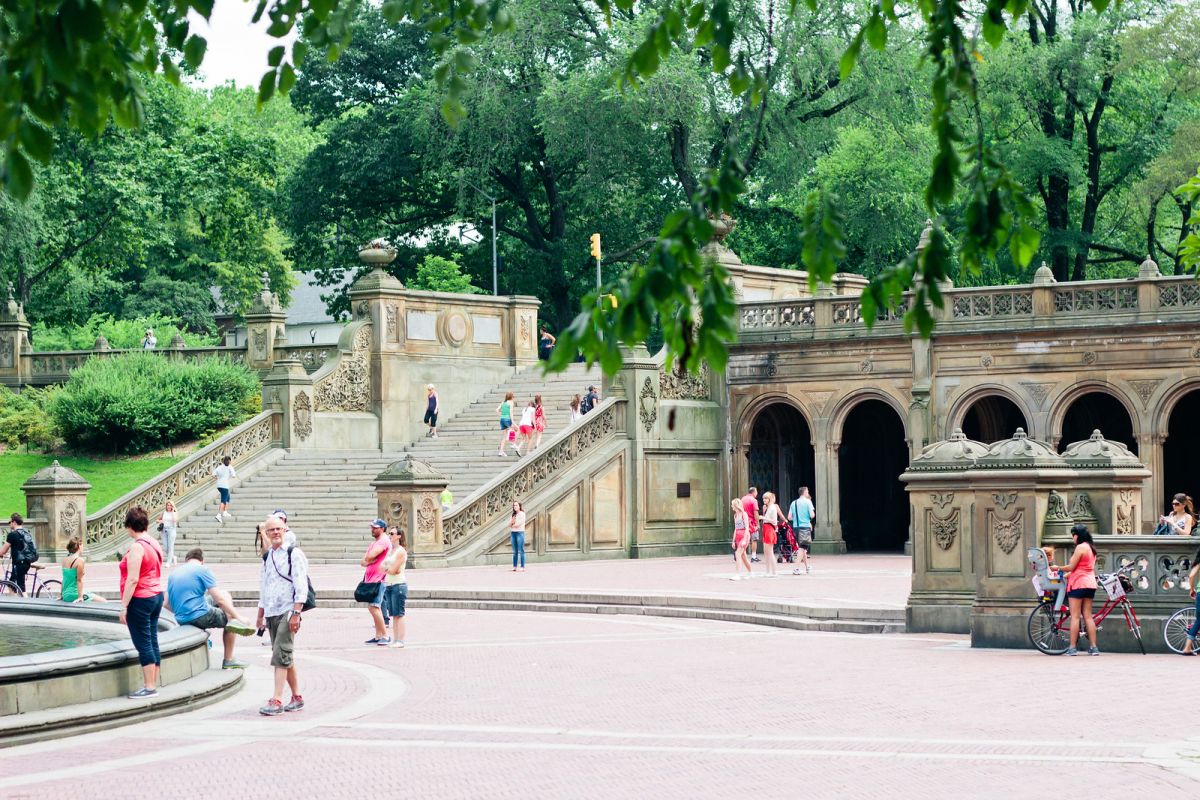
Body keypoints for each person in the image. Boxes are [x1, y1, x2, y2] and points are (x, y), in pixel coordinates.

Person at [166, 548, 255, 669]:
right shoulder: (203, 570)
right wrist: (239, 617)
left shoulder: (173, 574)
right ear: (202, 561)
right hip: (199, 615)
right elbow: (219, 600)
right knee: (232, 620)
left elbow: (166, 604)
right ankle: (228, 659)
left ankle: (229, 619)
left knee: (224, 593)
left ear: (186, 560)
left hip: (181, 617)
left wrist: (184, 612)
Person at [257, 515, 309, 715]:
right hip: (271, 611)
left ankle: (276, 699)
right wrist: (260, 614)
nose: (276, 533)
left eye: (279, 529)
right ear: (267, 534)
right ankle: (297, 696)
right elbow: (264, 586)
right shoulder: (268, 556)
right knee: (284, 654)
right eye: (271, 530)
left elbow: (300, 585)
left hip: (288, 610)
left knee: (280, 654)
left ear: (285, 530)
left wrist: (296, 613)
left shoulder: (293, 554)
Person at [119, 506, 165, 698]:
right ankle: (153, 681)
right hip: (156, 595)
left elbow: (133, 579)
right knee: (152, 639)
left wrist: (123, 606)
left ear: (130, 526)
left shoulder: (137, 547)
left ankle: (149, 687)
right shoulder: (153, 542)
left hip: (141, 598)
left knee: (143, 643)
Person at [1049, 523, 1100, 656]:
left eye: (1073, 536)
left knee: (1075, 616)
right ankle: (1094, 647)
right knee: (1088, 616)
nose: (1073, 539)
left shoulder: (1080, 548)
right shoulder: (1091, 548)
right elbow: (1083, 568)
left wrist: (1057, 568)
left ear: (1077, 536)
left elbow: (1071, 567)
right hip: (1090, 583)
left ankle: (1072, 647)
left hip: (1078, 584)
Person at [362, 519, 392, 645]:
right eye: (372, 527)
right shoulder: (375, 543)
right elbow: (363, 561)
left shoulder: (384, 541)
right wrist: (369, 559)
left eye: (375, 528)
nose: (372, 530)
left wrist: (369, 558)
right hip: (371, 579)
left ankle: (385, 635)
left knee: (374, 607)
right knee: (373, 606)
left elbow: (368, 557)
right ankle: (378, 635)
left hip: (379, 578)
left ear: (382, 529)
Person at [381, 526, 408, 648]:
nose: (390, 535)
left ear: (399, 536)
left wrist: (387, 569)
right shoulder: (391, 551)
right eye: (389, 533)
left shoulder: (401, 551)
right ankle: (396, 639)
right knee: (394, 615)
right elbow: (383, 567)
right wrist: (388, 569)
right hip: (389, 584)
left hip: (399, 585)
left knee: (399, 614)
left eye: (392, 533)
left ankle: (400, 640)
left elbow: (394, 570)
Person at [0, 513, 37, 593]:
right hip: (27, 561)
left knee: (20, 586)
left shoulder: (12, 535)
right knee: (12, 584)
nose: (9, 524)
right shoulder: (27, 533)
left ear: (14, 522)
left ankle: (25, 604)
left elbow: (2, 551)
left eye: (10, 522)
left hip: (18, 563)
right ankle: (14, 603)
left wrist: (1, 554)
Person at [60, 536, 104, 603]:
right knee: (103, 602)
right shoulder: (79, 561)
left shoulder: (64, 560)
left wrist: (61, 595)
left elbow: (64, 579)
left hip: (65, 595)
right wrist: (80, 597)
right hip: (74, 594)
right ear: (79, 546)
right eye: (82, 545)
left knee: (89, 594)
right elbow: (79, 580)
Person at [788, 487, 815, 575]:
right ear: (805, 492)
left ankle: (807, 567)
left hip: (796, 527)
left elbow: (789, 517)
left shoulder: (793, 503)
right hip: (805, 527)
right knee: (802, 548)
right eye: (807, 491)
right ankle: (796, 568)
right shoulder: (808, 502)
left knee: (803, 548)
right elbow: (812, 515)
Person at [730, 499, 752, 580]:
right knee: (743, 556)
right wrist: (733, 541)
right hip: (738, 536)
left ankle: (737, 574)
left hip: (744, 536)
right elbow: (736, 529)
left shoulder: (744, 514)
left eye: (732, 505)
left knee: (738, 554)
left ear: (736, 505)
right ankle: (750, 572)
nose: (731, 506)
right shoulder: (735, 515)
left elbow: (747, 528)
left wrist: (744, 539)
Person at [760, 491, 780, 577]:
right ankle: (768, 571)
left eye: (766, 498)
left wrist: (763, 517)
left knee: (770, 552)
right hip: (766, 528)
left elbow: (774, 521)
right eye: (763, 498)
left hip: (769, 528)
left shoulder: (772, 507)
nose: (764, 500)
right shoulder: (768, 507)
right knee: (766, 551)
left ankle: (774, 572)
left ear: (769, 499)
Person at [212, 455, 236, 523]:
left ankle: (225, 512)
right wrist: (228, 477)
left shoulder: (219, 467)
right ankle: (219, 514)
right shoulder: (229, 467)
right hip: (225, 485)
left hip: (219, 485)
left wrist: (218, 478)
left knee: (228, 498)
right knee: (223, 500)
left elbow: (213, 475)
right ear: (229, 461)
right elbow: (234, 475)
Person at [740, 487, 761, 563]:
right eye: (756, 492)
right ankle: (753, 556)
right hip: (752, 523)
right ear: (754, 492)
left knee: (744, 539)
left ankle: (742, 554)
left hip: (743, 522)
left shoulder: (743, 499)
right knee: (754, 539)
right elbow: (756, 513)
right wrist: (758, 524)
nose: (757, 494)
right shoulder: (754, 500)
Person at [158, 500, 179, 567]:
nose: (169, 506)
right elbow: (157, 520)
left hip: (171, 530)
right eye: (168, 505)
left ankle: (168, 562)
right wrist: (161, 521)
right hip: (164, 530)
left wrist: (173, 512)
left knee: (170, 547)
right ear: (166, 506)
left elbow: (174, 520)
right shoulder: (164, 513)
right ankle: (173, 557)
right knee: (165, 547)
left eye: (170, 505)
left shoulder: (175, 513)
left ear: (172, 506)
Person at [510, 501, 527, 572]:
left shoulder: (522, 514)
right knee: (515, 551)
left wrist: (512, 525)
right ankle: (514, 566)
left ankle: (522, 566)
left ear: (519, 506)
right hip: (513, 533)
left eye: (516, 505)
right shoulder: (513, 515)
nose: (515, 507)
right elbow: (509, 524)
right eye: (514, 505)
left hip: (520, 533)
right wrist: (512, 522)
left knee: (521, 550)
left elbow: (518, 524)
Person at [497, 391, 515, 456]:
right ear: (511, 397)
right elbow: (511, 412)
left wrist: (501, 416)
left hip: (502, 420)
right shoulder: (511, 402)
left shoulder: (503, 402)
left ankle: (501, 451)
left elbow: (497, 410)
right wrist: (512, 422)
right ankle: (513, 444)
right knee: (513, 430)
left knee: (504, 436)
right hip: (507, 419)